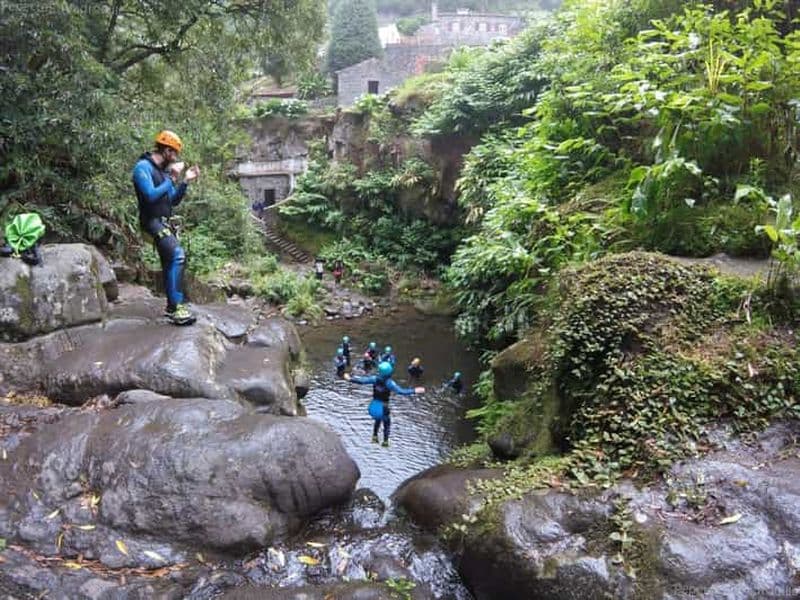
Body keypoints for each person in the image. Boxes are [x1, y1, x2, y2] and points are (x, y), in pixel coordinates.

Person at [132, 130, 200, 326]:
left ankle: (173, 306)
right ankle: (176, 306)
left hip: (163, 221)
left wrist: (185, 181)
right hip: (151, 221)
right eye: (175, 153)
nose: (176, 158)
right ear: (167, 150)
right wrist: (172, 178)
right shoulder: (142, 168)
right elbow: (150, 196)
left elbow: (172, 201)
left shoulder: (164, 172)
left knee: (170, 261)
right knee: (177, 255)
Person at [345, 361, 424, 447]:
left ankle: (374, 437)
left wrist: (349, 378)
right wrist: (415, 390)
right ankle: (385, 442)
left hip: (373, 407)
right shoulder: (389, 383)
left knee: (378, 419)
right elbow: (401, 392)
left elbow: (361, 381)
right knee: (387, 424)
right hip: (383, 408)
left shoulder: (374, 379)